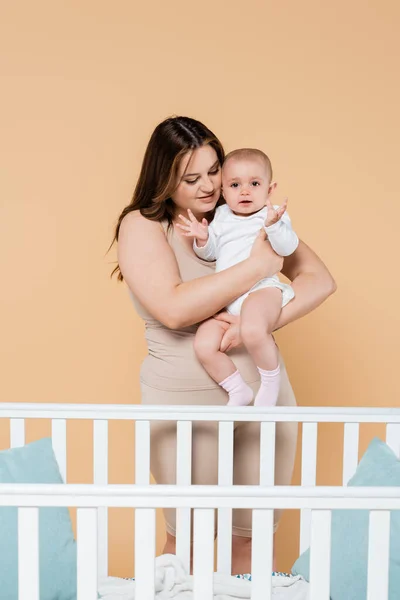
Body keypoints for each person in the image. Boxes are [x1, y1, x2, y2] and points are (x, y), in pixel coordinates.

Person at [111, 116, 336, 575]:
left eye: (214, 170)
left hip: (264, 398)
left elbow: (319, 280)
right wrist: (257, 268)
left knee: (253, 540)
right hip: (184, 400)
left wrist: (256, 323)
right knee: (188, 541)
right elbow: (173, 309)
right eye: (191, 178)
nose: (210, 186)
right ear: (164, 178)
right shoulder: (142, 225)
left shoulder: (244, 213)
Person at [176, 148, 299, 408]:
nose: (245, 191)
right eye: (235, 185)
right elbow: (211, 254)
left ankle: (270, 383)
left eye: (254, 184)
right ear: (223, 192)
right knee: (204, 344)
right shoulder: (221, 217)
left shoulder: (272, 214)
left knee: (254, 330)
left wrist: (275, 226)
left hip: (262, 290)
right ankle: (237, 390)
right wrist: (203, 238)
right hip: (229, 299)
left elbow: (287, 248)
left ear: (269, 188)